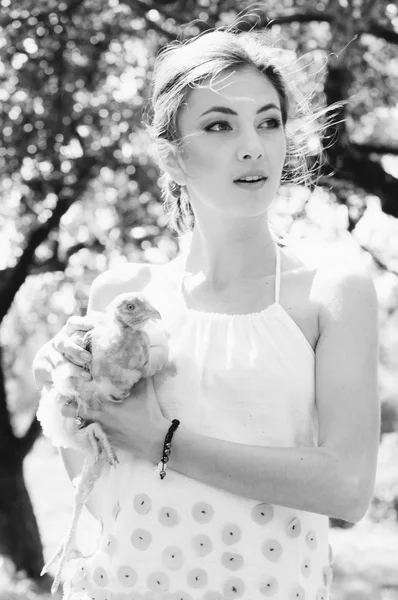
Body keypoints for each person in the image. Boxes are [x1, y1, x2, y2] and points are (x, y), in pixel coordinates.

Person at [33, 27, 380, 600]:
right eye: (220, 125)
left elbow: (347, 487)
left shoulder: (331, 292)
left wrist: (160, 439)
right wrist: (65, 394)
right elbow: (101, 497)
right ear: (172, 155)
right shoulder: (123, 296)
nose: (254, 146)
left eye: (268, 122)